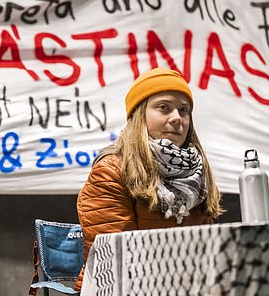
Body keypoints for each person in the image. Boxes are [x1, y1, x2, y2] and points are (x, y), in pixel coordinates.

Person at [75, 67, 223, 290]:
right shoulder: (111, 170)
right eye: (164, 108)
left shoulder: (197, 171)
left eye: (184, 110)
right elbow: (115, 262)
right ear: (139, 114)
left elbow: (207, 252)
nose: (177, 118)